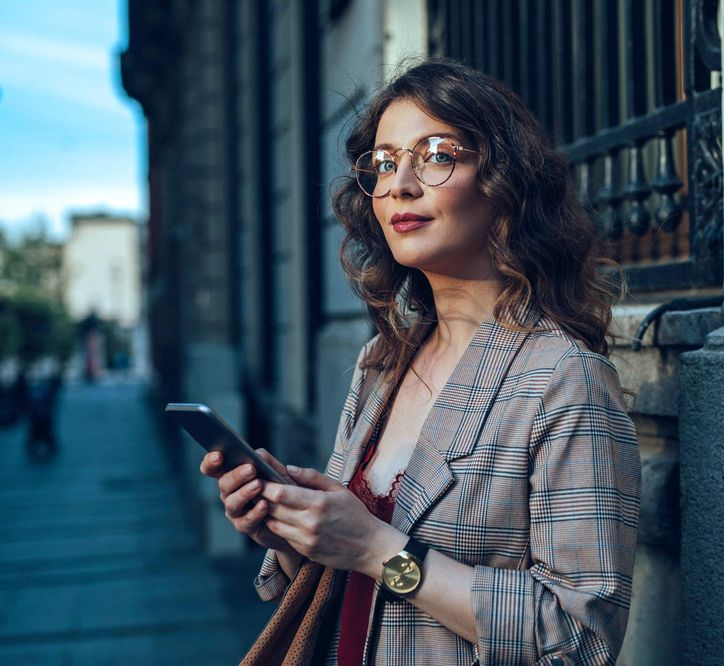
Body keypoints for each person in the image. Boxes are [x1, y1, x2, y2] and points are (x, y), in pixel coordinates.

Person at [200, 59, 641, 665]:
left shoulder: (564, 378)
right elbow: (346, 562)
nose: (401, 184)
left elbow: (580, 635)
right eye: (383, 163)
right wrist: (291, 532)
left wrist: (381, 552)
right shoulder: (382, 362)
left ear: (503, 180)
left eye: (435, 154)